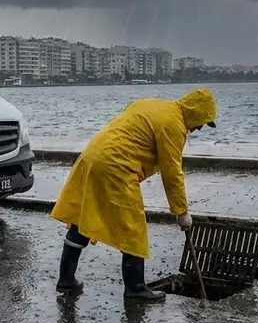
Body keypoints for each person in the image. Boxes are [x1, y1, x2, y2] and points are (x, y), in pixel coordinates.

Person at [50, 88, 218, 301]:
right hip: (117, 166)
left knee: (84, 217)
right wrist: (181, 212)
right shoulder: (174, 125)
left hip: (93, 157)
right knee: (133, 227)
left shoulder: (153, 105)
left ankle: (66, 279)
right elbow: (172, 172)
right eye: (201, 122)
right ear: (195, 112)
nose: (198, 128)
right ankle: (135, 287)